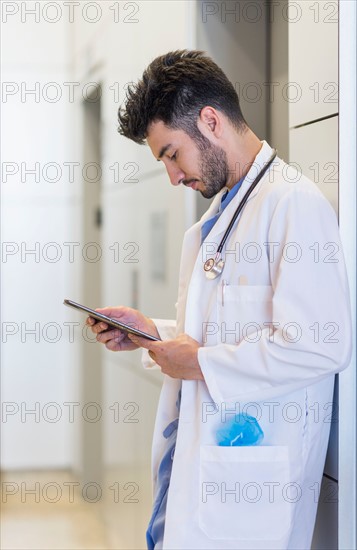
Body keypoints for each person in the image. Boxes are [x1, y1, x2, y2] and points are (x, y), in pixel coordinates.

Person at [87, 50, 352, 549]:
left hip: (252, 492)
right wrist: (150, 333)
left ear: (210, 121)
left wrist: (202, 365)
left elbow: (321, 346)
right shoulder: (220, 218)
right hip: (205, 478)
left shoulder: (293, 204)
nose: (173, 175)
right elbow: (214, 337)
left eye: (171, 153)